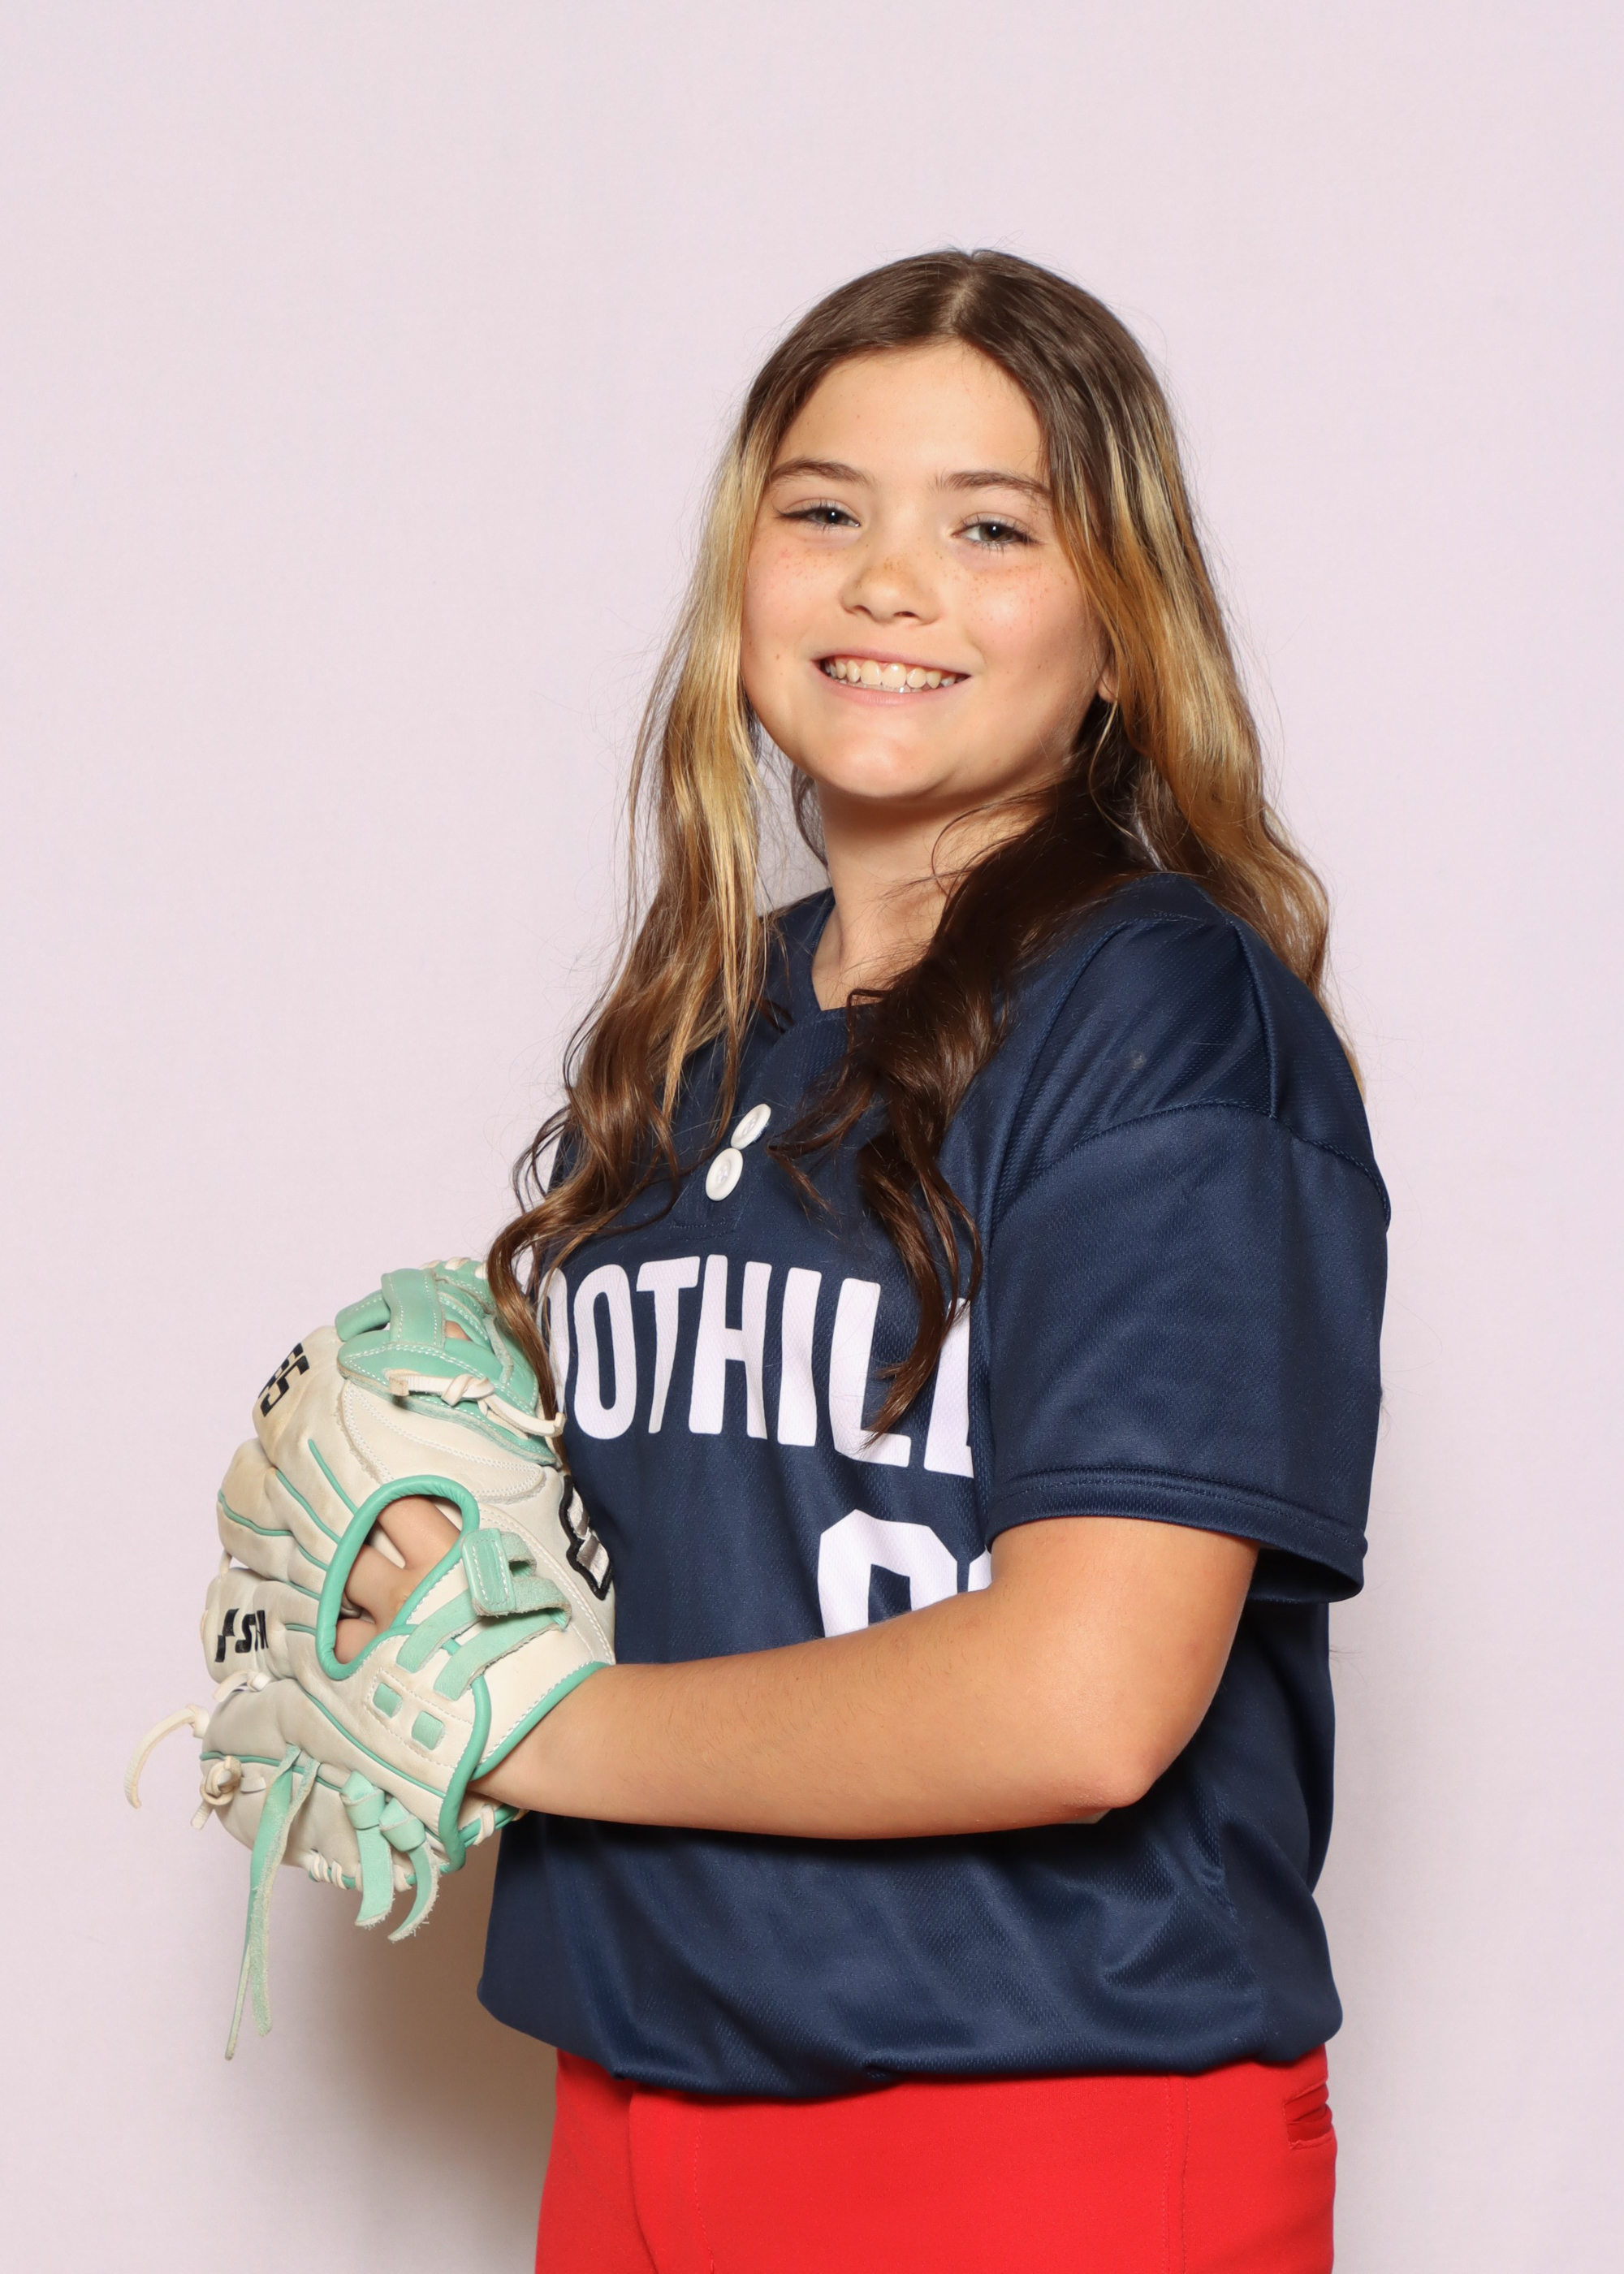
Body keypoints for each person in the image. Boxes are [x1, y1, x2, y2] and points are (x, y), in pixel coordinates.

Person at [336, 249, 1385, 2273]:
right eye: (824, 510)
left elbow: (1085, 1698)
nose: (891, 581)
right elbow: (701, 1537)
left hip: (1034, 2124)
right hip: (632, 2092)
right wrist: (435, 1554)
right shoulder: (698, 1029)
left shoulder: (1161, 1016)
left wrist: (530, 1718)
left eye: (991, 528)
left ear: (1118, 627)